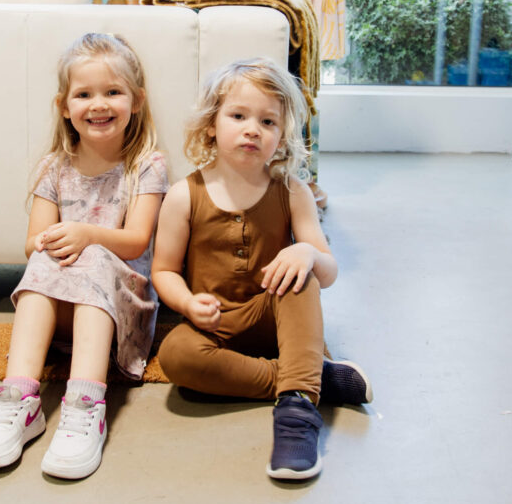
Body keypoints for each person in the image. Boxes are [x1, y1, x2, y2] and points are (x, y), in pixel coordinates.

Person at [152, 58, 371, 481]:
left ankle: (297, 412)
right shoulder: (183, 195)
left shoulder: (292, 191)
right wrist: (185, 302)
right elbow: (163, 270)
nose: (253, 128)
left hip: (274, 316)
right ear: (211, 124)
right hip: (213, 327)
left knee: (301, 277)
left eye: (268, 121)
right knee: (175, 357)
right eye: (238, 116)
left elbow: (328, 271)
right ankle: (311, 377)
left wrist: (307, 253)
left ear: (282, 137)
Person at [0, 33, 168, 479]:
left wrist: (86, 236)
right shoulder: (54, 167)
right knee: (41, 259)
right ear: (64, 105)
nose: (99, 104)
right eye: (84, 94)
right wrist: (56, 241)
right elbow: (31, 242)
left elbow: (136, 242)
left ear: (136, 101)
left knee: (95, 257)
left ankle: (85, 405)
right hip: (63, 309)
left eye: (113, 92)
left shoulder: (146, 165)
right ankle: (17, 400)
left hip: (119, 311)